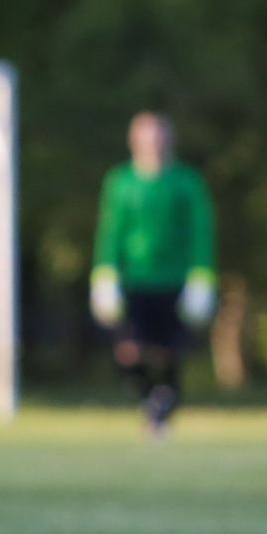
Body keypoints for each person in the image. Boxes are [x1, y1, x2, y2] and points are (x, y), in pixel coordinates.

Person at [90, 111, 217, 436]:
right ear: (134, 141)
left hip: (175, 280)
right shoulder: (120, 182)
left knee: (167, 351)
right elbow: (111, 231)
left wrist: (202, 276)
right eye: (146, 137)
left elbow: (200, 232)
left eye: (158, 137)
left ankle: (163, 409)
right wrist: (104, 273)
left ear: (168, 140)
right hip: (133, 279)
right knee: (128, 351)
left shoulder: (187, 182)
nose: (153, 144)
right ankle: (153, 401)